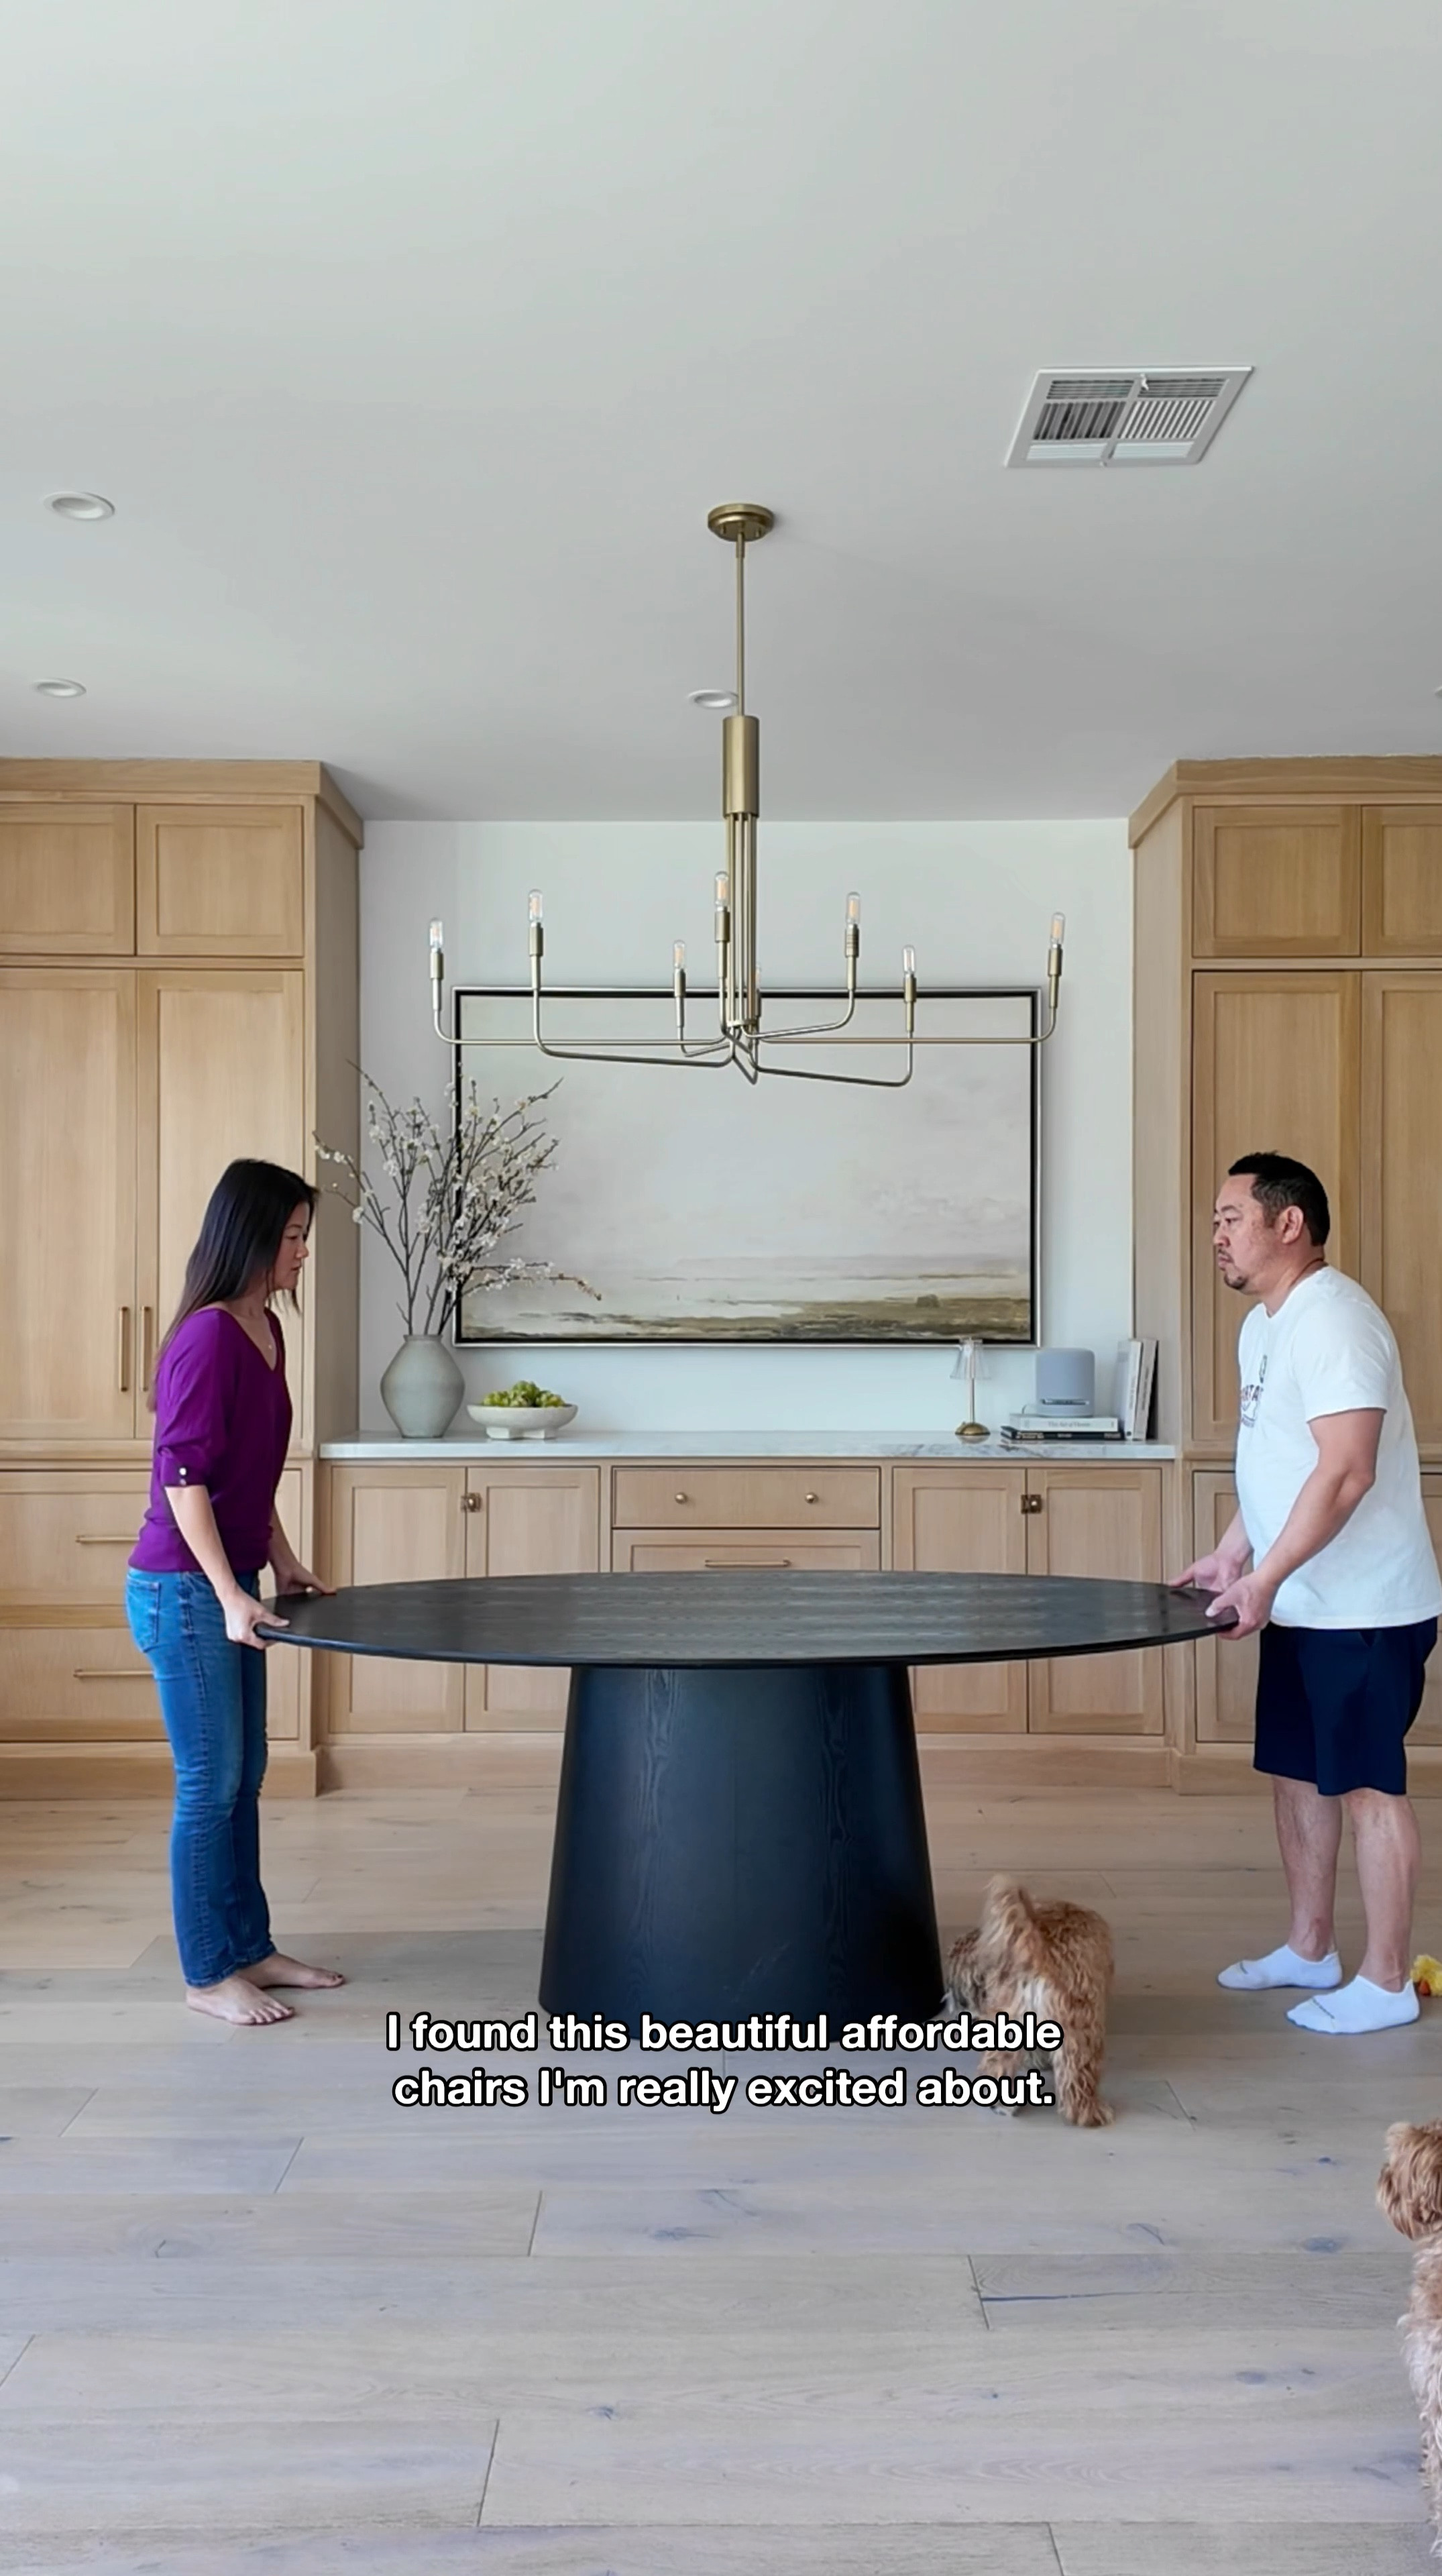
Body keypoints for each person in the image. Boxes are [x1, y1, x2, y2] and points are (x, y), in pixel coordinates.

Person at [1174, 1152, 1441, 2035]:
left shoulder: (1336, 1321)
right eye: (1213, 1220)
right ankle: (1309, 1946)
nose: (1215, 1234)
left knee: (1366, 1785)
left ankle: (1384, 1981)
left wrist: (1266, 1575)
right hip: (1298, 1597)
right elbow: (1277, 1460)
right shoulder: (1264, 1325)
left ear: (1288, 1224)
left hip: (1362, 1606)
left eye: (1230, 1218)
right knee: (1293, 1774)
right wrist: (1230, 1556)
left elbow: (1345, 1472)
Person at [126, 1159, 345, 2027]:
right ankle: (206, 1971)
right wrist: (227, 1592)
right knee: (209, 1782)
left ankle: (249, 1947)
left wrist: (280, 1561)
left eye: (303, 1237)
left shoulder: (266, 1329)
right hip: (181, 1590)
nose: (300, 1254)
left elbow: (248, 1476)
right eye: (292, 1237)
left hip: (230, 1580)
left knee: (244, 1775)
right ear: (251, 1237)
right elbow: (183, 1479)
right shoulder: (208, 1336)